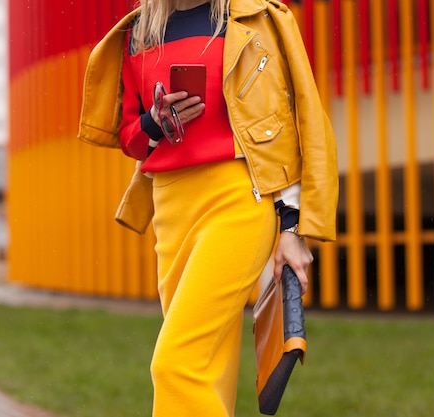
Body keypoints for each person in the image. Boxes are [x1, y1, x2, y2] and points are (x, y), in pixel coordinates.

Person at [78, 0, 338, 414]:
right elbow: (130, 137)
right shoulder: (137, 33)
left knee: (175, 365)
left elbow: (290, 120)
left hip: (238, 201)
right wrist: (154, 123)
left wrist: (292, 228)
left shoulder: (258, 18)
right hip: (170, 209)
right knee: (206, 370)